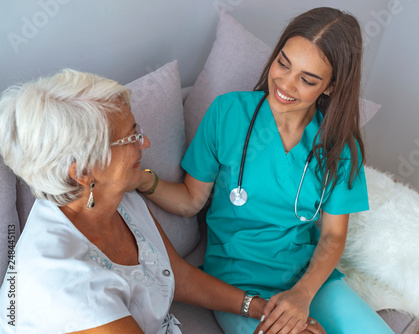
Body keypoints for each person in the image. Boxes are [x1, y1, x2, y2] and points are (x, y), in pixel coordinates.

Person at [0, 69, 327, 334]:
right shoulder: (67, 287)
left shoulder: (114, 197)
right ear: (84, 171)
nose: (146, 141)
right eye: (132, 137)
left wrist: (263, 310)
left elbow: (177, 275)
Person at [137, 7, 394, 334]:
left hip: (308, 278)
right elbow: (190, 200)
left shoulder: (339, 149)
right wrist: (141, 180)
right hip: (238, 282)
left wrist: (303, 294)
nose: (285, 84)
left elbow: (332, 235)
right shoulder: (228, 113)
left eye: (307, 79)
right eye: (283, 63)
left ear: (330, 87)